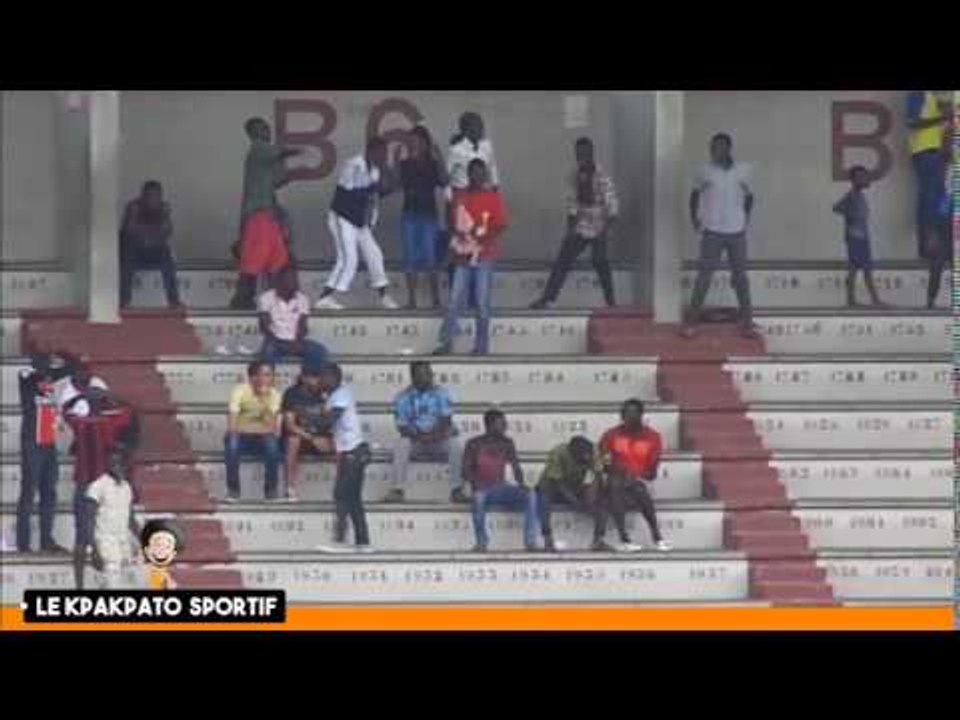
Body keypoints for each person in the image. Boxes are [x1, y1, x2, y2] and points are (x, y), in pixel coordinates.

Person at [682, 133, 758, 340]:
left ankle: (747, 323)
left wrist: (745, 218)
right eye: (712, 147)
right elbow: (694, 195)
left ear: (728, 148)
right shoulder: (703, 171)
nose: (715, 150)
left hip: (737, 232)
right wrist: (694, 219)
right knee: (704, 278)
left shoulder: (744, 170)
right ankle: (691, 323)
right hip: (712, 231)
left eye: (719, 146)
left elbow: (750, 197)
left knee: (740, 278)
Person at [530, 138, 619, 309]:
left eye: (585, 153)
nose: (581, 157)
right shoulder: (573, 174)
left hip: (600, 223)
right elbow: (572, 204)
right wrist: (569, 230)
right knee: (563, 260)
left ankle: (611, 302)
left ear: (592, 153)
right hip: (581, 224)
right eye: (578, 154)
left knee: (600, 261)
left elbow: (613, 207)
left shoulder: (602, 176)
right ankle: (548, 298)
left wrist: (605, 231)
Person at [315, 136, 399, 310]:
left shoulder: (376, 169)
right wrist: (375, 187)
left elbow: (383, 192)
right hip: (342, 217)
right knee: (348, 259)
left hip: (360, 220)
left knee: (375, 254)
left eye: (385, 154)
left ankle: (384, 296)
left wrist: (391, 170)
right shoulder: (353, 164)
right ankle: (325, 297)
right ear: (371, 151)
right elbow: (349, 193)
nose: (383, 157)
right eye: (381, 154)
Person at [64, 394, 139, 589]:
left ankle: (95, 585)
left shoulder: (112, 417)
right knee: (82, 537)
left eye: (99, 396)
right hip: (86, 480)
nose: (96, 399)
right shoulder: (80, 413)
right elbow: (66, 411)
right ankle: (79, 586)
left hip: (105, 480)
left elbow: (130, 415)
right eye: (93, 396)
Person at [433, 159, 507, 356]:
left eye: (480, 172)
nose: (477, 176)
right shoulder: (460, 196)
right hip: (462, 257)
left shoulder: (493, 197)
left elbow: (501, 225)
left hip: (484, 256)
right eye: (473, 172)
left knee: (482, 304)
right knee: (454, 301)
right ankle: (446, 343)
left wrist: (484, 239)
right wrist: (454, 248)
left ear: (484, 175)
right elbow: (453, 225)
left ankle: (481, 348)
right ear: (469, 174)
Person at [230, 117, 303, 310]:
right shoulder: (258, 148)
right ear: (253, 133)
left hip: (268, 216)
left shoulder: (265, 157)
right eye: (261, 128)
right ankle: (241, 302)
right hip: (258, 215)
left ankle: (275, 304)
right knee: (253, 263)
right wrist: (299, 150)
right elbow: (283, 151)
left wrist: (283, 162)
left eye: (266, 127)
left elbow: (280, 180)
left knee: (276, 261)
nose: (266, 130)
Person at [384, 361, 466, 504]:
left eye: (429, 373)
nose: (429, 377)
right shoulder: (402, 397)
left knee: (455, 445)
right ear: (413, 377)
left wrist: (433, 436)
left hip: (438, 440)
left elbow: (446, 420)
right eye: (424, 374)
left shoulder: (441, 393)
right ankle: (397, 490)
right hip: (416, 441)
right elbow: (402, 427)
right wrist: (421, 436)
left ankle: (457, 490)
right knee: (401, 444)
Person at [314, 363, 374, 553]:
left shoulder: (342, 394)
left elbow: (329, 421)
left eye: (324, 376)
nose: (320, 380)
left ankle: (339, 541)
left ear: (334, 378)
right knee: (353, 499)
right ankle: (363, 542)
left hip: (354, 452)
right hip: (351, 452)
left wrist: (307, 416)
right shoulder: (331, 397)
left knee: (341, 495)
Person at [16, 351, 73, 554]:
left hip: (49, 444)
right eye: (46, 365)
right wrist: (43, 366)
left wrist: (61, 358)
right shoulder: (27, 378)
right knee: (28, 494)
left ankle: (46, 541)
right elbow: (29, 373)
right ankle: (23, 544)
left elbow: (69, 368)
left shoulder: (51, 381)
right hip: (32, 443)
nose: (49, 369)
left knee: (49, 493)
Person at [443, 113, 501, 308]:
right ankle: (456, 296)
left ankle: (476, 298)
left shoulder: (487, 146)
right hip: (462, 199)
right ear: (465, 129)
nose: (479, 129)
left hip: (483, 199)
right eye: (474, 126)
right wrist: (452, 204)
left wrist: (494, 197)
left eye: (481, 125)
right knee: (459, 249)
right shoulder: (456, 150)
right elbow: (447, 178)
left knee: (482, 247)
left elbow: (493, 172)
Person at [598, 399, 671, 553]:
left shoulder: (653, 437)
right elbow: (604, 464)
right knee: (615, 484)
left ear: (641, 415)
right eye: (625, 414)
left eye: (633, 413)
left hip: (640, 482)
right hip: (615, 481)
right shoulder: (610, 435)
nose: (629, 417)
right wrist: (618, 472)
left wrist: (635, 476)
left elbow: (652, 472)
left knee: (638, 489)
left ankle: (657, 537)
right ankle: (624, 539)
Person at [462, 409, 539, 552]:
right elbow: (465, 470)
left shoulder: (507, 442)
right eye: (501, 423)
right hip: (483, 489)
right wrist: (476, 485)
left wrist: (522, 485)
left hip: (503, 488)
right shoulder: (474, 443)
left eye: (505, 423)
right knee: (478, 497)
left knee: (531, 494)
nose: (505, 426)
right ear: (490, 425)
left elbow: (516, 467)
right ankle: (481, 542)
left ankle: (530, 541)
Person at [394, 125, 449, 309]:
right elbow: (396, 184)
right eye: (411, 141)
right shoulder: (404, 164)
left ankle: (436, 299)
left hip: (428, 216)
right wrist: (395, 162)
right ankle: (411, 300)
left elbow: (445, 181)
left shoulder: (432, 165)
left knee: (430, 258)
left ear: (425, 143)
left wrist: (440, 158)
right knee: (410, 258)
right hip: (409, 215)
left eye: (416, 141)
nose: (413, 144)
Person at [536, 436, 614, 552]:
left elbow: (598, 477)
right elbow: (557, 482)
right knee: (544, 495)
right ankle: (548, 539)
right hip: (553, 487)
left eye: (588, 456)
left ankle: (598, 540)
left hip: (575, 486)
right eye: (582, 457)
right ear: (572, 452)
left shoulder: (594, 452)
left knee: (602, 500)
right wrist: (574, 501)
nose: (586, 459)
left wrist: (591, 497)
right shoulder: (558, 452)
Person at [223, 361, 283, 502]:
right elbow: (231, 426)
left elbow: (273, 428)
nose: (268, 379)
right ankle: (233, 490)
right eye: (265, 375)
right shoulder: (239, 391)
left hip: (259, 438)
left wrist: (263, 400)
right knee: (232, 442)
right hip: (240, 437)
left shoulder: (274, 395)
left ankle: (271, 490)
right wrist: (259, 429)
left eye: (270, 375)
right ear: (253, 378)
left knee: (272, 444)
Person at [119, 181, 182, 310]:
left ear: (161, 196)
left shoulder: (164, 208)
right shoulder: (133, 207)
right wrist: (150, 235)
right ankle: (124, 301)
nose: (153, 199)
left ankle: (174, 301)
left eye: (156, 195)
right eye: (149, 195)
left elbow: (167, 232)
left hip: (154, 251)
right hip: (134, 252)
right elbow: (129, 232)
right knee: (128, 256)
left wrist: (164, 217)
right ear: (143, 195)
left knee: (166, 255)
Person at [832, 165, 887, 307]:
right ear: (854, 180)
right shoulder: (851, 196)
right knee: (865, 270)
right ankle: (874, 300)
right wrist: (850, 221)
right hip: (857, 238)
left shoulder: (859, 196)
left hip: (861, 237)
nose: (866, 179)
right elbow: (837, 208)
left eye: (866, 176)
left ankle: (851, 300)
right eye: (862, 177)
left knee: (854, 269)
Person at [85, 449, 140, 589]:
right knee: (112, 580)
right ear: (107, 464)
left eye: (120, 462)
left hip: (123, 540)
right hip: (105, 540)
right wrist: (93, 548)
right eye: (113, 462)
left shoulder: (127, 487)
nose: (116, 465)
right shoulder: (97, 486)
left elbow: (131, 518)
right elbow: (88, 519)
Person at [906, 91, 952, 259]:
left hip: (937, 152)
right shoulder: (917, 93)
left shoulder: (932, 97)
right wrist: (942, 118)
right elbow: (911, 122)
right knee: (929, 197)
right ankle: (927, 243)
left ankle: (941, 243)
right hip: (924, 150)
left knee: (942, 199)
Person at [281, 363, 334, 502]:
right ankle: (290, 489)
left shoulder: (324, 393)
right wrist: (312, 438)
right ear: (304, 378)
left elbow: (330, 420)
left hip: (319, 436)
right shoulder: (292, 394)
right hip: (302, 437)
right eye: (314, 378)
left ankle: (341, 490)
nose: (318, 381)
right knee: (293, 440)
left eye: (319, 378)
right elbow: (290, 425)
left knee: (345, 444)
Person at [258, 265, 329, 367]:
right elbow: (264, 326)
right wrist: (278, 342)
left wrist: (297, 340)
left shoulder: (303, 299)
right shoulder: (266, 297)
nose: (293, 281)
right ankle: (268, 382)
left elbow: (303, 325)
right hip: (274, 340)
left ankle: (307, 378)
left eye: (294, 278)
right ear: (279, 280)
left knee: (318, 351)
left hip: (295, 341)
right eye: (288, 278)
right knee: (268, 353)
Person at [925, 131, 954, 309]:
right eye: (947, 143)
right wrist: (931, 232)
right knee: (936, 265)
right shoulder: (936, 168)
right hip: (942, 221)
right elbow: (933, 200)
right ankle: (930, 301)